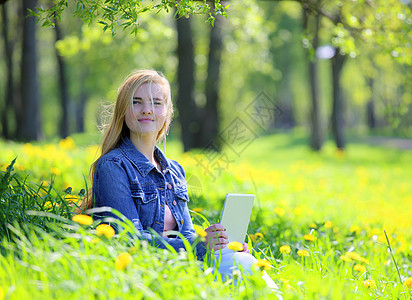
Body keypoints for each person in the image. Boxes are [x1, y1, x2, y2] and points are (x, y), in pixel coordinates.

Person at [87, 69, 277, 286]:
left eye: (157, 103)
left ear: (167, 113)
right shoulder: (113, 166)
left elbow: (187, 236)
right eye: (137, 102)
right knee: (244, 266)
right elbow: (129, 240)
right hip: (143, 271)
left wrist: (218, 245)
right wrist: (199, 244)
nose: (147, 110)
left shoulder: (174, 171)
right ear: (123, 110)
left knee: (242, 260)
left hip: (183, 266)